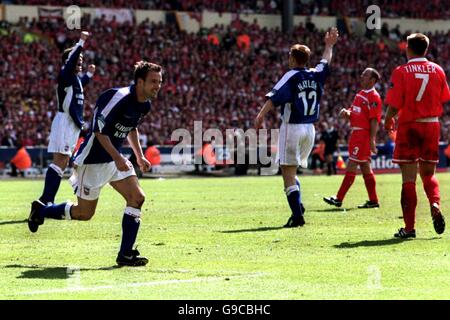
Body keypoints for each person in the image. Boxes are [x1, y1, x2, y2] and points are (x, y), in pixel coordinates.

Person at [28, 61, 163, 267]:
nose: (158, 86)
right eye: (153, 81)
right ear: (139, 81)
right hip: (92, 160)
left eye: (160, 82)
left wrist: (139, 155)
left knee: (137, 198)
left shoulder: (145, 104)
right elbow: (99, 131)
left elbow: (131, 127)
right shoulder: (117, 97)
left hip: (113, 158)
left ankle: (125, 254)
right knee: (84, 213)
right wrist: (118, 158)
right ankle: (42, 211)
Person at [255, 27, 339, 228]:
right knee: (291, 172)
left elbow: (274, 98)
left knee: (287, 173)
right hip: (310, 129)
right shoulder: (316, 73)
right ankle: (298, 208)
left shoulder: (291, 75)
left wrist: (260, 116)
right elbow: (326, 60)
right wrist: (329, 45)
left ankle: (297, 215)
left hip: (292, 128)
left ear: (293, 59)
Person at [384, 33, 450, 238]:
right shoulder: (438, 70)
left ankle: (410, 228)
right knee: (429, 174)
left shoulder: (401, 71)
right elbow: (444, 96)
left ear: (408, 49)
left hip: (410, 125)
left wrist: (387, 119)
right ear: (426, 50)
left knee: (408, 180)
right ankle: (435, 203)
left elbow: (395, 104)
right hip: (431, 125)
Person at [33, 31, 96, 207]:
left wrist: (89, 76)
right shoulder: (65, 74)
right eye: (78, 60)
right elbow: (72, 60)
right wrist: (81, 41)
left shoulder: (75, 79)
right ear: (69, 61)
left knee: (63, 161)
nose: (81, 62)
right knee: (60, 160)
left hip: (72, 124)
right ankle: (46, 199)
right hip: (65, 121)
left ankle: (47, 199)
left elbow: (82, 84)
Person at [323, 68, 383, 209]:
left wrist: (372, 139)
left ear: (372, 80)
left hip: (362, 135)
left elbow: (374, 120)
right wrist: (347, 113)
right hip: (355, 134)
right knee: (365, 167)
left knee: (352, 164)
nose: (361, 76)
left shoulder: (374, 97)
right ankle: (373, 200)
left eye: (365, 75)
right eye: (362, 74)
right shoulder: (360, 94)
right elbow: (354, 112)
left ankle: (339, 198)